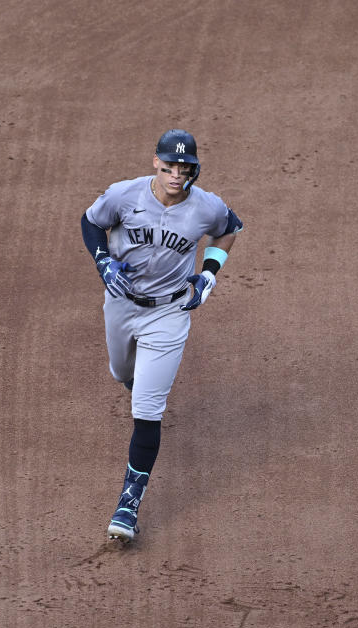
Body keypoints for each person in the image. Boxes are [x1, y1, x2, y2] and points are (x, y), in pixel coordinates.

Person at [80, 129, 244, 542]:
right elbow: (91, 221)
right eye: (169, 166)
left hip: (169, 314)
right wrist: (103, 262)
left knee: (147, 409)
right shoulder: (125, 195)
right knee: (121, 372)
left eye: (184, 168)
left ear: (193, 169)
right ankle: (135, 381)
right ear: (156, 162)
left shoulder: (207, 207)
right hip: (121, 304)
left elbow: (230, 228)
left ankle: (128, 505)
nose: (176, 175)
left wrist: (209, 273)